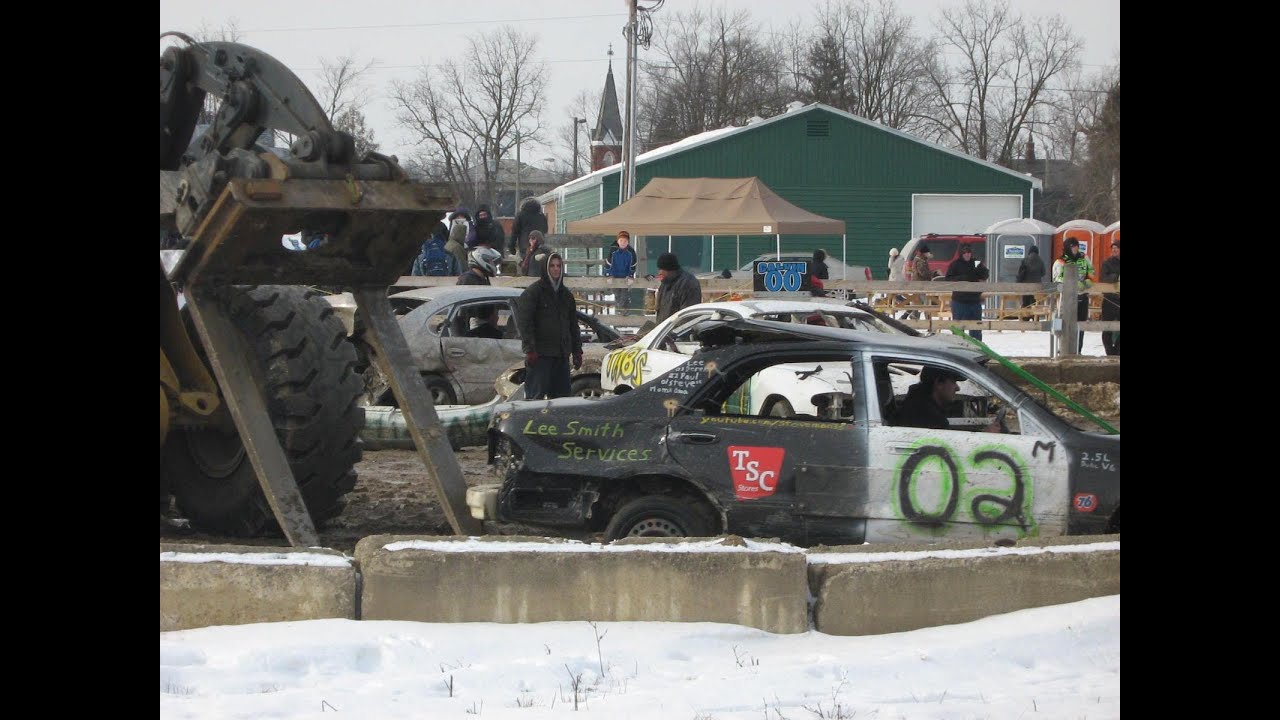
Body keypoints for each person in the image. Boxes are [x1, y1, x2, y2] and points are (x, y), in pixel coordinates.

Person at [515, 252, 582, 399]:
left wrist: (577, 350)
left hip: (561, 356)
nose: (556, 269)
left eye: (559, 266)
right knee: (535, 399)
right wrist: (530, 349)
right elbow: (525, 323)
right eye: (552, 266)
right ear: (545, 268)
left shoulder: (566, 296)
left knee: (561, 401)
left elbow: (573, 325)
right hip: (541, 356)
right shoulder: (534, 293)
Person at [894, 366, 1001, 433]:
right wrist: (983, 435)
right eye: (953, 382)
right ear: (939, 383)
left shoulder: (919, 404)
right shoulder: (928, 417)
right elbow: (951, 449)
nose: (957, 388)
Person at [1051, 238, 1095, 353]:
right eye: (1072, 246)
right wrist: (1073, 283)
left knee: (1080, 324)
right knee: (1065, 323)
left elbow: (1091, 272)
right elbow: (1057, 279)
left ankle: (1078, 349)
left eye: (1076, 245)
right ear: (1067, 247)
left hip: (1082, 295)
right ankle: (1063, 348)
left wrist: (1088, 281)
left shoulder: (1084, 258)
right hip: (1067, 298)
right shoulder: (1060, 261)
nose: (1075, 248)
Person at [944, 244, 988, 340]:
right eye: (965, 252)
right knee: (958, 328)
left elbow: (985, 275)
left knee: (976, 328)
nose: (967, 254)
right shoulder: (955, 264)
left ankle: (977, 348)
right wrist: (962, 278)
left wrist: (982, 271)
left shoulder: (976, 263)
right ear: (961, 253)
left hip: (975, 300)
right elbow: (948, 279)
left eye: (969, 252)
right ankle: (958, 348)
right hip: (959, 301)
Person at [655, 251, 702, 323]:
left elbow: (688, 316)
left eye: (662, 269)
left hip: (680, 331)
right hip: (665, 331)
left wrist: (674, 331)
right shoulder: (665, 284)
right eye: (659, 269)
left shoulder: (688, 284)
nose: (660, 273)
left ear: (671, 269)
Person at [606, 231, 639, 311]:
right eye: (621, 241)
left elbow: (633, 265)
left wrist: (631, 276)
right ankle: (618, 310)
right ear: (618, 241)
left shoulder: (631, 252)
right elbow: (608, 263)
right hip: (614, 276)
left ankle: (624, 310)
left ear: (628, 242)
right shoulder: (613, 251)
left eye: (625, 241)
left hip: (625, 277)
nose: (623, 243)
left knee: (625, 295)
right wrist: (609, 275)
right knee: (616, 293)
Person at [1099, 240, 1120, 356]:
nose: (1114, 250)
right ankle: (1109, 352)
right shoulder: (1107, 263)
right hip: (1109, 299)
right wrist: (1116, 277)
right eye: (1113, 248)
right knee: (1106, 328)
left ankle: (1117, 351)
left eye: (1116, 248)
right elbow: (1103, 278)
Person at [1015, 245, 1046, 318]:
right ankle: (1034, 316)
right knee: (1035, 302)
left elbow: (1020, 272)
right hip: (1037, 285)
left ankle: (1025, 316)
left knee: (1026, 301)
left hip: (1026, 285)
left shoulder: (1025, 260)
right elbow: (1043, 273)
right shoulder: (1040, 261)